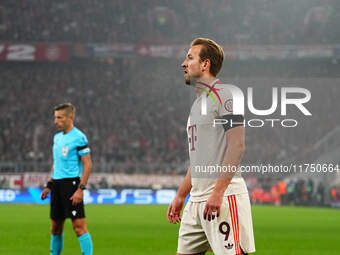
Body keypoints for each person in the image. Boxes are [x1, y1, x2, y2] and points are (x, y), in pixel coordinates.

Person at [167, 38, 255, 255]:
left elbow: (237, 145)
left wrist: (218, 192)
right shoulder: (197, 105)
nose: (183, 64)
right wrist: (181, 195)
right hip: (196, 201)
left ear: (205, 64)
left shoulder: (225, 94)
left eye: (189, 58)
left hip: (223, 199)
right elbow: (199, 160)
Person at [40, 103, 93, 255]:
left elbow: (87, 164)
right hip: (56, 186)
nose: (56, 121)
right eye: (55, 118)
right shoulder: (56, 138)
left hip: (71, 185)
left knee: (79, 227)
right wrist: (49, 185)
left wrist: (80, 189)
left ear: (70, 117)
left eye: (60, 118)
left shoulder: (79, 137)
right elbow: (56, 163)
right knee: (55, 228)